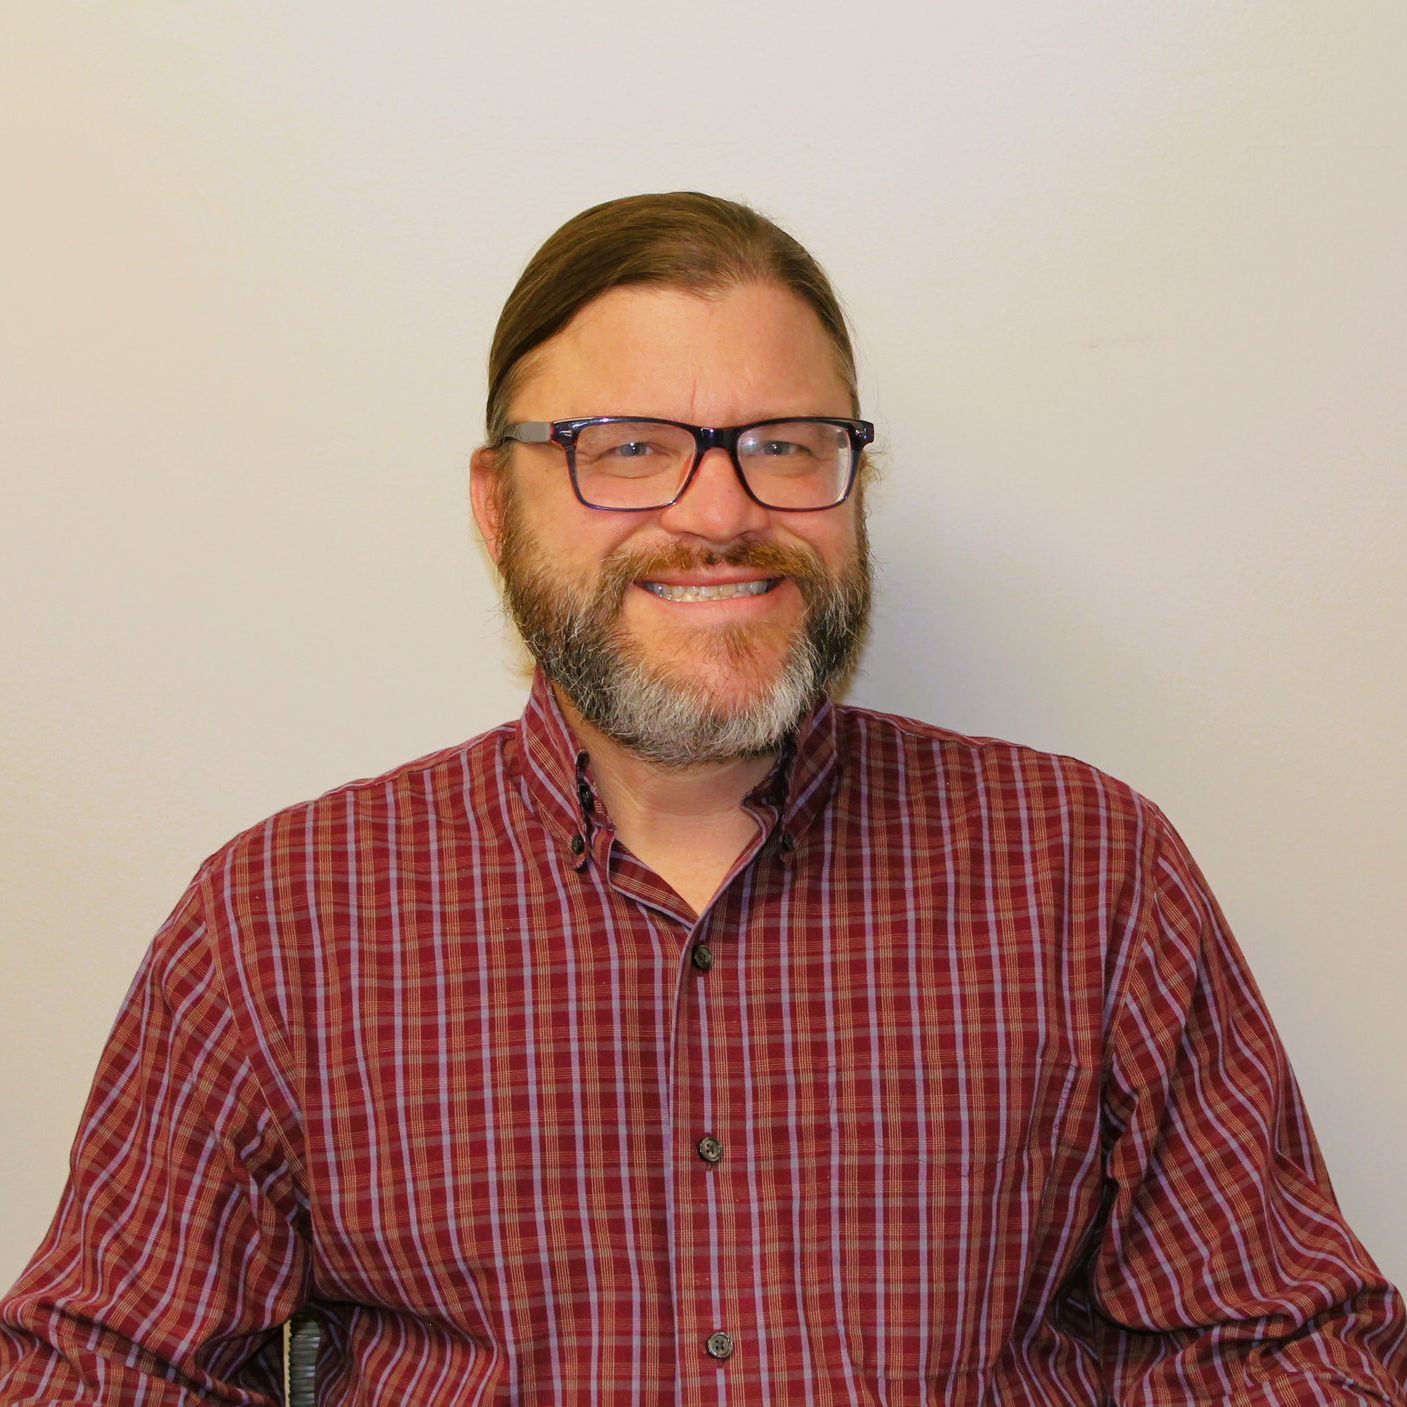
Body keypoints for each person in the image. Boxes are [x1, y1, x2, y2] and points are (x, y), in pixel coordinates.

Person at [1, 191, 1403, 1406]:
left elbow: (1276, 1350)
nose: (721, 514)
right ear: (499, 507)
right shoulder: (286, 920)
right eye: (627, 447)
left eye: (785, 445)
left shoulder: (1090, 873)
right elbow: (107, 1370)